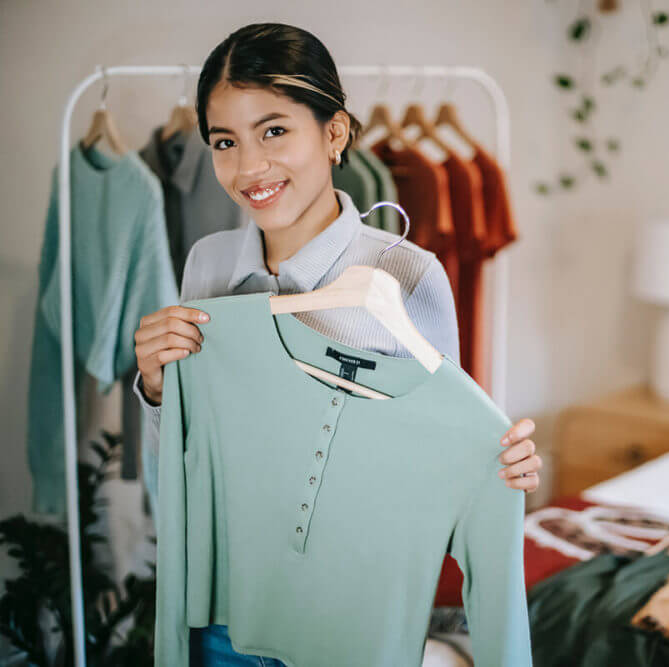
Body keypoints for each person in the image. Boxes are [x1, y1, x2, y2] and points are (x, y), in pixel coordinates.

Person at [131, 22, 542, 666]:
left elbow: (437, 451)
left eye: (274, 131)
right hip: (221, 613)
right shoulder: (207, 266)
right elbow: (187, 460)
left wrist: (497, 467)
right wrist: (158, 390)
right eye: (225, 142)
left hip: (341, 622)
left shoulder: (406, 275)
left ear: (335, 132)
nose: (249, 167)